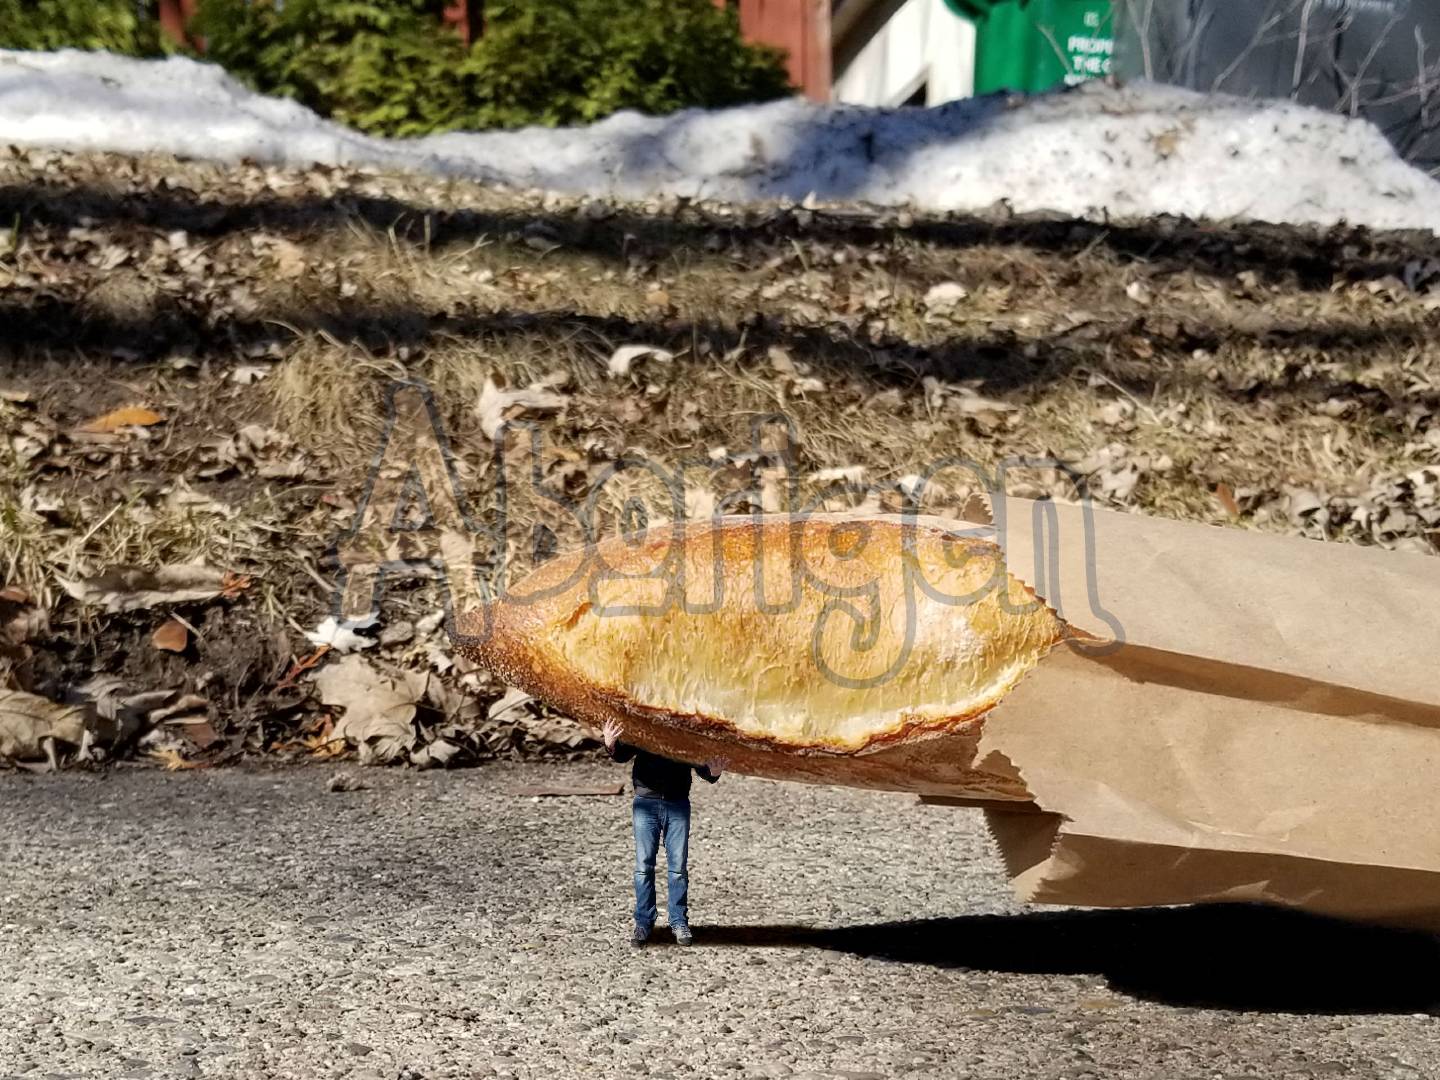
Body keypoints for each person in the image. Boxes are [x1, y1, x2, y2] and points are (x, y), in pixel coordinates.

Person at [601, 718, 727, 947]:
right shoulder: (644, 727)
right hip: (645, 804)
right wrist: (610, 743)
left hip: (677, 804)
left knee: (677, 868)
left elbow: (703, 769)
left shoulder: (686, 734)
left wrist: (714, 773)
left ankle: (678, 921)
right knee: (643, 867)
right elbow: (622, 754)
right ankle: (643, 922)